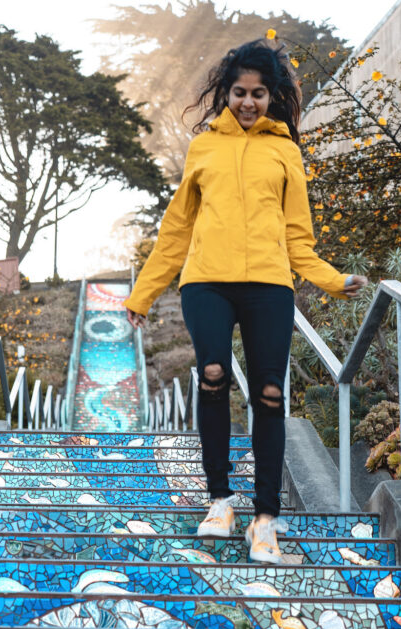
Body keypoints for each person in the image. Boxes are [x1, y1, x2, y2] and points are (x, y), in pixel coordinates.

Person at [124, 39, 368, 563]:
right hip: (206, 282)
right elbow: (177, 230)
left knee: (270, 395)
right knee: (212, 374)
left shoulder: (285, 151)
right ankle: (219, 501)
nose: (249, 102)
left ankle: (265, 520)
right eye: (240, 92)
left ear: (272, 95)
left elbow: (298, 239)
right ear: (226, 93)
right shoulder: (204, 148)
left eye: (259, 93)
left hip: (268, 286)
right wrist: (144, 293)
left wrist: (332, 280)